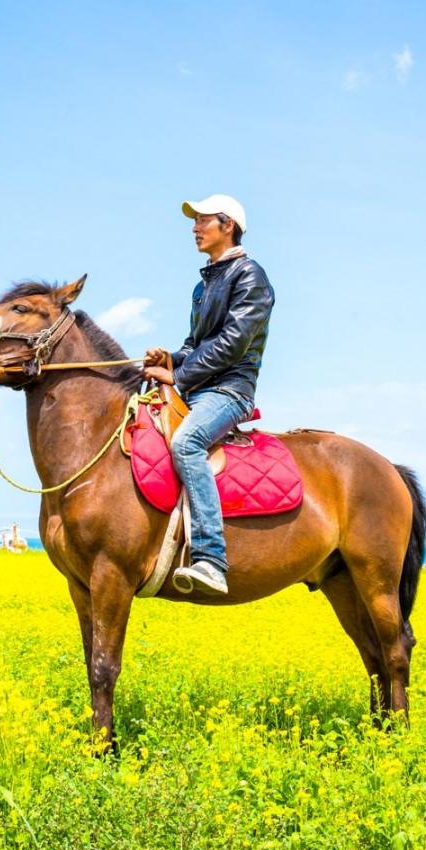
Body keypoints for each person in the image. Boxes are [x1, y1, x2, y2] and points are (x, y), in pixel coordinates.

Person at [143, 194, 275, 596]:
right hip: (200, 386)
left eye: (202, 220)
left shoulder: (250, 276)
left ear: (227, 225)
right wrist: (171, 356)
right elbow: (196, 342)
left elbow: (233, 344)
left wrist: (177, 377)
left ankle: (212, 560)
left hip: (229, 390)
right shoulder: (205, 285)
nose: (195, 228)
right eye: (195, 221)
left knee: (186, 443)